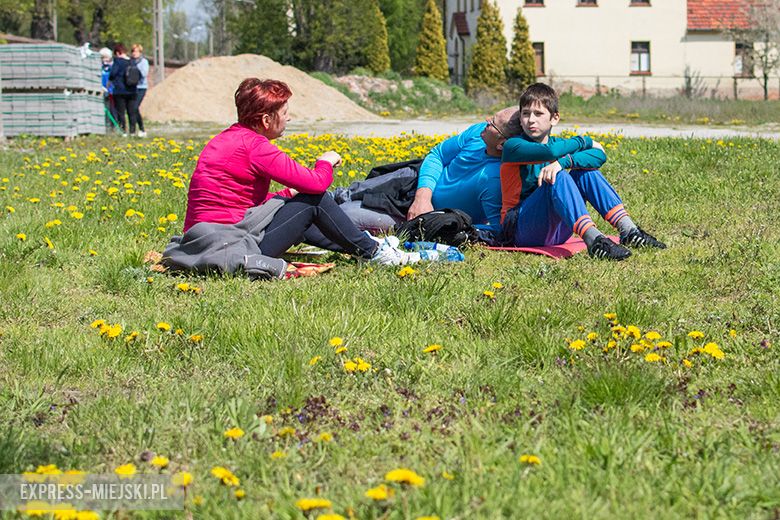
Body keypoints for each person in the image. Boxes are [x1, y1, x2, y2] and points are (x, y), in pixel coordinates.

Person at [180, 78, 420, 269]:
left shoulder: (225, 139)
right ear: (266, 119)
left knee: (297, 207)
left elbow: (239, 200)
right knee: (313, 201)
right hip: (230, 245)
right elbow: (317, 185)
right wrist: (325, 162)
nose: (289, 118)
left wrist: (286, 193)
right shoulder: (256, 147)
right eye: (285, 114)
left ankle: (364, 246)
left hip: (202, 241)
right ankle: (375, 253)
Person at [500, 83, 666, 260]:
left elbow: (599, 156)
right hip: (520, 229)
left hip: (558, 232)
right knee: (559, 176)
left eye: (538, 113)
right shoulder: (513, 146)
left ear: (554, 118)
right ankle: (594, 241)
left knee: (584, 172)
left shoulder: (559, 144)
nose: (531, 120)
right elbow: (550, 152)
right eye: (525, 114)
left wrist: (564, 162)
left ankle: (629, 231)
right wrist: (583, 141)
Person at [337, 107, 521, 239]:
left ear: (501, 143)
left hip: (415, 217)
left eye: (493, 123)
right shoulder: (477, 132)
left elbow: (497, 229)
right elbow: (437, 155)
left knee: (343, 215)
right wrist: (423, 196)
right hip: (416, 182)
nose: (487, 121)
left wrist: (446, 225)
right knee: (345, 194)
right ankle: (324, 197)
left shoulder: (494, 179)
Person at [108, 44, 136, 136]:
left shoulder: (118, 61)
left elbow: (113, 73)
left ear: (117, 53)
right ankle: (132, 131)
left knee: (121, 112)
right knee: (131, 112)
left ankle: (123, 131)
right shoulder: (132, 61)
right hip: (132, 90)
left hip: (120, 91)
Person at [129, 44, 149, 137]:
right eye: (133, 51)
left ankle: (141, 128)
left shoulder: (143, 62)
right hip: (132, 87)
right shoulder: (130, 61)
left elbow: (144, 73)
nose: (134, 53)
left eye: (136, 51)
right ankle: (133, 130)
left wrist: (135, 70)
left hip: (141, 87)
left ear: (140, 52)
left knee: (135, 107)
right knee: (132, 109)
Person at [98, 47, 117, 132]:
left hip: (111, 91)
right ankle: (106, 126)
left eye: (106, 57)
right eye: (102, 58)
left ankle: (114, 126)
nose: (104, 60)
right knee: (104, 109)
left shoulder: (112, 67)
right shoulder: (100, 68)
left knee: (113, 109)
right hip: (102, 90)